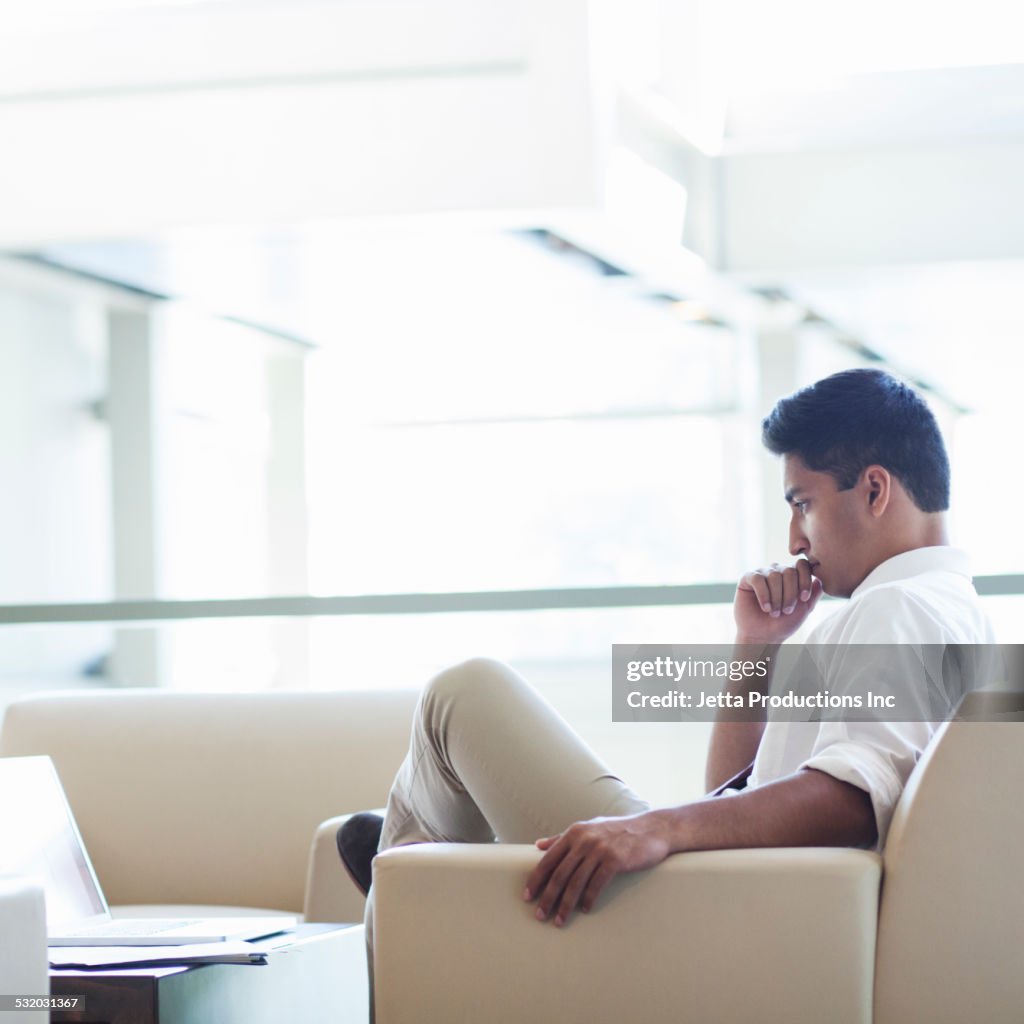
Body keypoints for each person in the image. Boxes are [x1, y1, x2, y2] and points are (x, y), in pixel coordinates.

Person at [339, 367, 996, 950]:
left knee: (463, 696)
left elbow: (851, 802)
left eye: (803, 504)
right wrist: (757, 647)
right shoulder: (947, 610)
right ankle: (423, 881)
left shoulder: (898, 609)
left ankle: (407, 900)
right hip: (747, 889)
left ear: (875, 491)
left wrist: (657, 830)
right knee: (457, 735)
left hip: (722, 910)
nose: (794, 539)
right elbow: (735, 786)